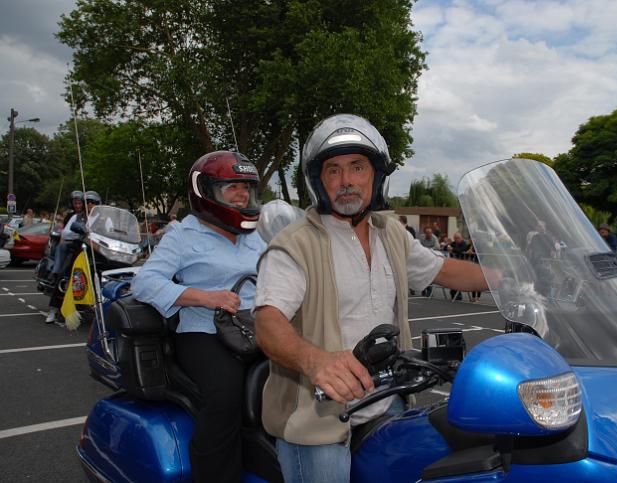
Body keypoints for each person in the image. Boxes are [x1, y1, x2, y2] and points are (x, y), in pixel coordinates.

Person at [253, 113, 488, 483]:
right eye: (334, 170)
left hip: (386, 398)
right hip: (317, 415)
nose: (346, 180)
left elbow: (444, 270)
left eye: (357, 167)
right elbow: (268, 322)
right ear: (318, 181)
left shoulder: (390, 233)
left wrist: (512, 278)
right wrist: (317, 362)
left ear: (376, 176)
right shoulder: (296, 244)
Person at [131, 151, 266, 483]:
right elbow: (144, 283)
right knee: (225, 395)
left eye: (246, 188)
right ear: (206, 191)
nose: (242, 195)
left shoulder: (255, 236)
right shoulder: (182, 235)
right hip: (204, 332)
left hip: (257, 328)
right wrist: (205, 297)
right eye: (232, 187)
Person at [45, 191, 102, 324]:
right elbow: (66, 233)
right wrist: (80, 233)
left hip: (98, 252)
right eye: (87, 202)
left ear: (98, 204)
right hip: (79, 250)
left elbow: (112, 231)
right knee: (65, 276)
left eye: (93, 202)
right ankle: (53, 309)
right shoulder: (77, 217)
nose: (89, 204)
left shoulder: (105, 219)